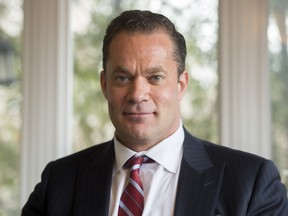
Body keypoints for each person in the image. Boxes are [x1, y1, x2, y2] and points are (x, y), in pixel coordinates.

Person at [22, 10, 288, 216]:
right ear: (105, 85)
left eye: (156, 77)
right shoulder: (58, 181)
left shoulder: (251, 182)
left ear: (181, 84)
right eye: (123, 77)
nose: (138, 94)